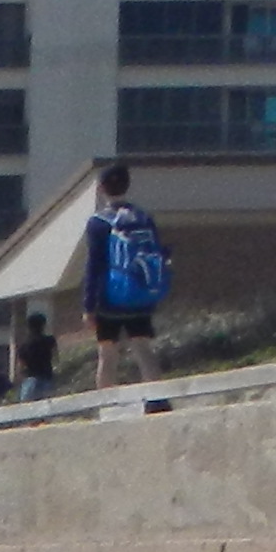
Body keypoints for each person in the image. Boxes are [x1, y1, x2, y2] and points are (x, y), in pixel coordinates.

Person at [82, 164, 171, 388]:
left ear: (101, 188)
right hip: (140, 292)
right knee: (142, 347)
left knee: (108, 353)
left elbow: (94, 265)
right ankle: (156, 400)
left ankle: (106, 405)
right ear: (127, 185)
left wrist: (88, 306)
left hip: (109, 298)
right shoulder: (143, 217)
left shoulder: (98, 223)